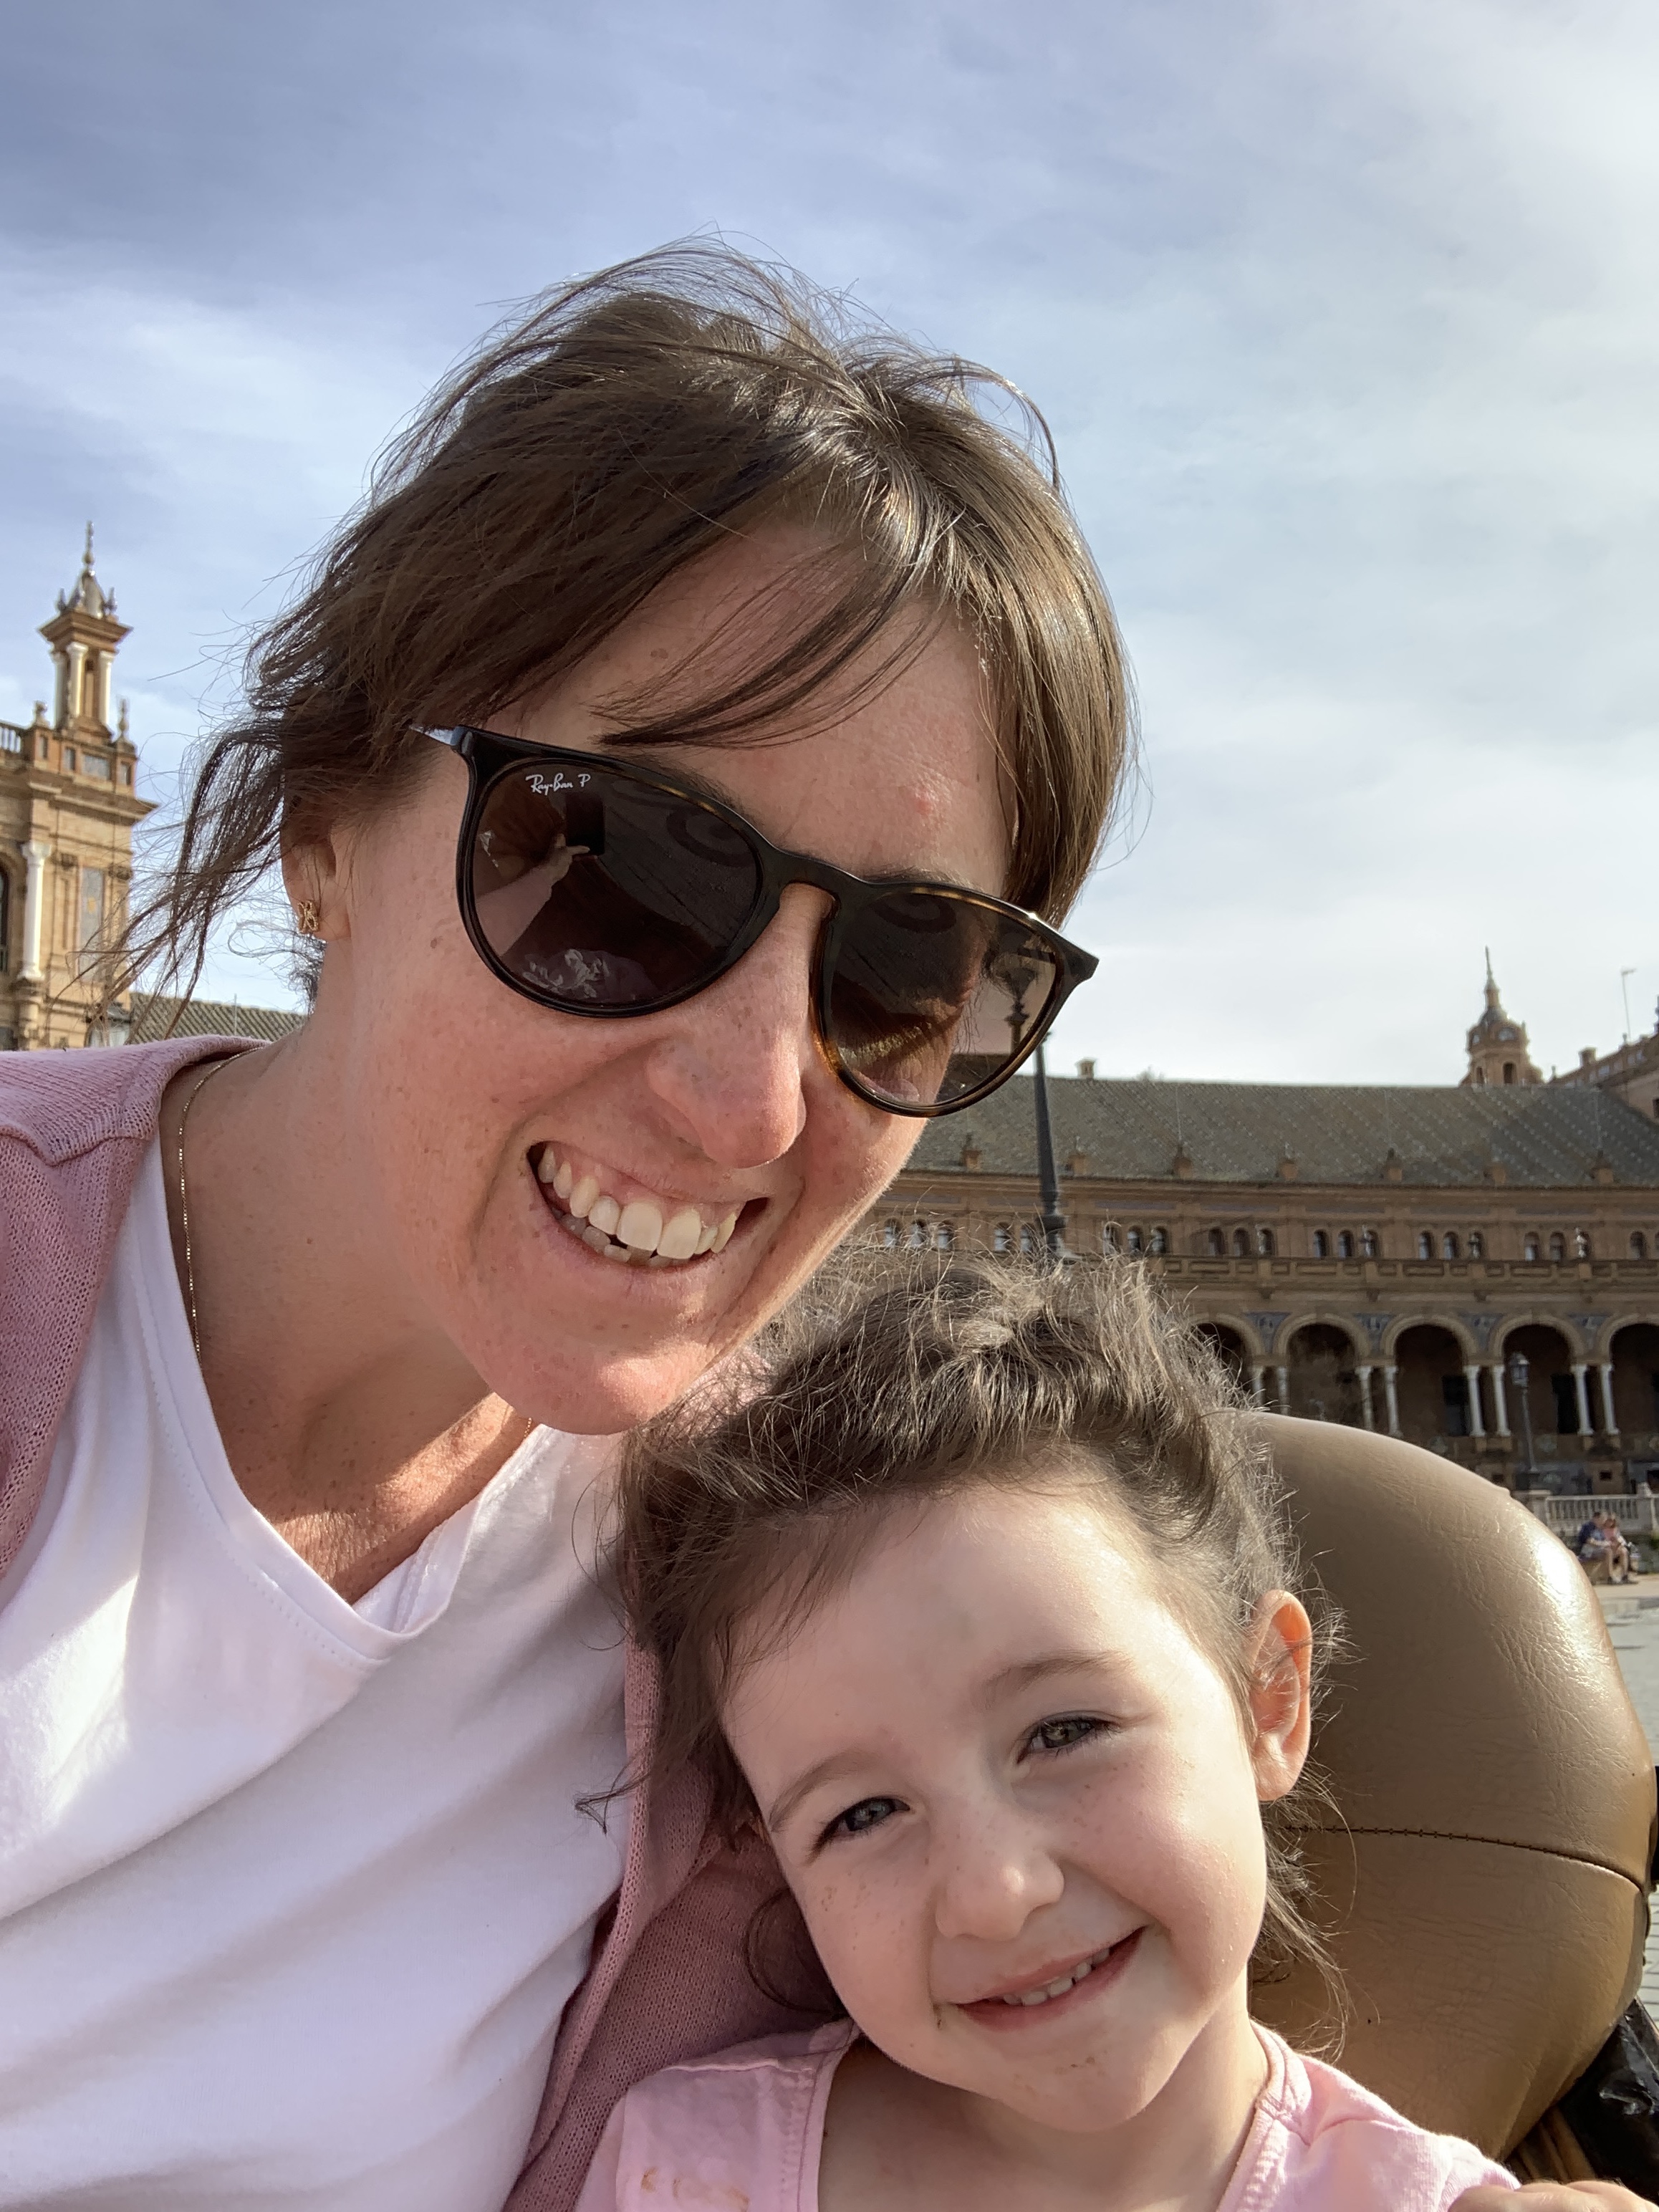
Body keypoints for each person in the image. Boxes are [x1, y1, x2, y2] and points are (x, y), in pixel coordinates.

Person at [0, 245, 1125, 2211]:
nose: (753, 1102)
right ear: (325, 832)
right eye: (614, 868)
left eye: (905, 972)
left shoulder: (783, 1581)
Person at [582, 1261, 1595, 2211]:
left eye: (1063, 1732)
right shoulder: (686, 2170)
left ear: (1268, 1702)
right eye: (864, 1814)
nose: (996, 1895)